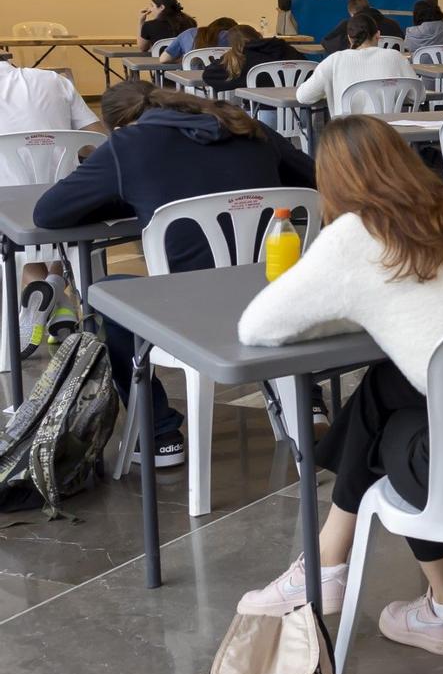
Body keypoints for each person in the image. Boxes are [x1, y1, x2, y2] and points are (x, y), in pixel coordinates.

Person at [234, 116, 443, 651]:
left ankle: (438, 607)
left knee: (388, 426)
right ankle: (328, 561)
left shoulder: (353, 236)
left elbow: (257, 327)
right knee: (383, 386)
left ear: (333, 182)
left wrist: (359, 308)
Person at [35, 82, 315, 467]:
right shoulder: (249, 127)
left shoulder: (126, 146)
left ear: (120, 124)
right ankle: (307, 400)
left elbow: (48, 214)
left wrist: (128, 191)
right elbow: (314, 178)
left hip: (188, 315)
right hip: (275, 297)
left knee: (107, 293)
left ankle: (160, 435)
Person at [0, 61, 104, 344]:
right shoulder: (53, 80)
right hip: (68, 205)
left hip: (8, 217)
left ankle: (37, 286)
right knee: (50, 211)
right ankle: (57, 292)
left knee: (15, 220)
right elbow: (97, 141)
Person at [297, 11, 419, 114]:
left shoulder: (333, 61)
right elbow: (418, 95)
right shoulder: (396, 57)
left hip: (347, 138)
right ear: (378, 35)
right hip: (387, 135)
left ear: (349, 37)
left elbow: (304, 96)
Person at [201, 25, 306, 93]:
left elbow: (208, 76)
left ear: (231, 43)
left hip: (261, 112)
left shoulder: (239, 59)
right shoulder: (287, 49)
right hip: (302, 110)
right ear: (258, 34)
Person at [319, 0, 403, 52]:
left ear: (352, 13)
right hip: (390, 71)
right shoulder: (393, 24)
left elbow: (326, 41)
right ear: (368, 6)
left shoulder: (349, 25)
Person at [164, 15, 238, 61]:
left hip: (194, 81)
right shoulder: (236, 37)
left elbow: (164, 59)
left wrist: (184, 60)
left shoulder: (189, 33)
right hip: (228, 81)